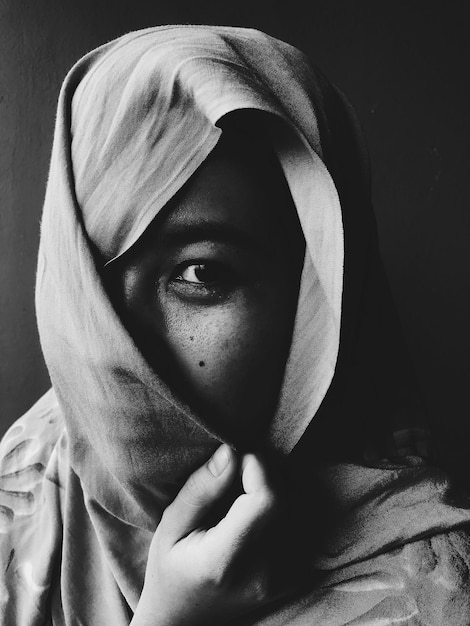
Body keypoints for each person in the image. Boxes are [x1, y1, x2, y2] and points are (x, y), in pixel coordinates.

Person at [1, 25, 470, 625]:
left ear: (317, 298)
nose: (117, 345)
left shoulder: (428, 596)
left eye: (200, 271)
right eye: (88, 282)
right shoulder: (36, 461)